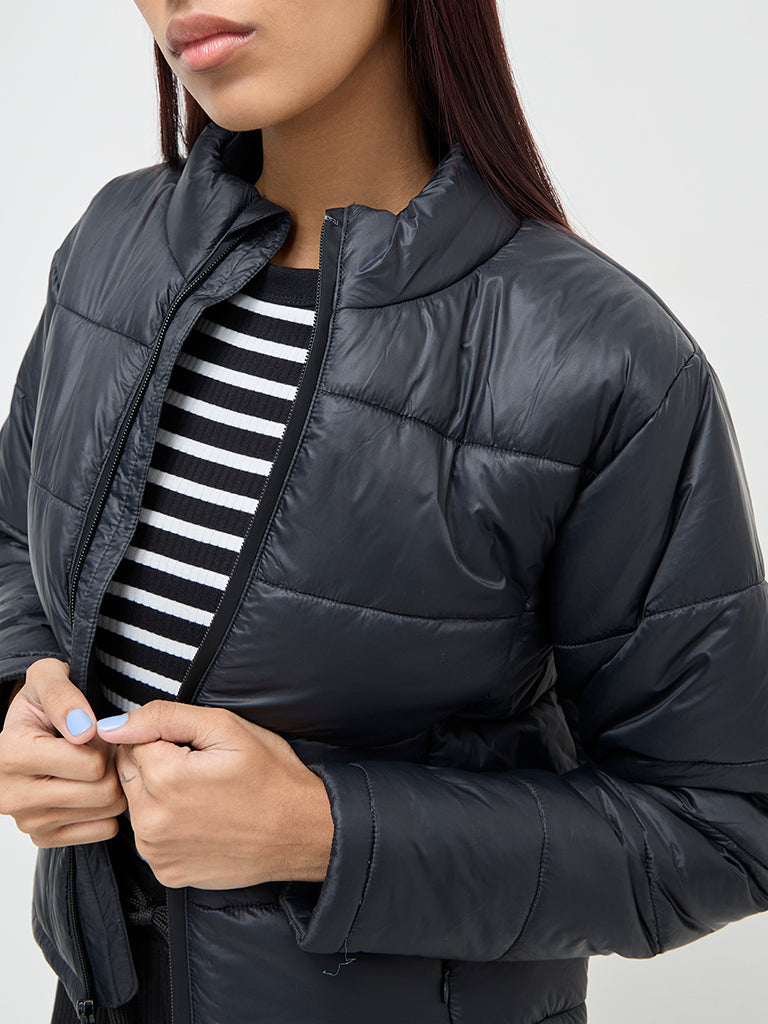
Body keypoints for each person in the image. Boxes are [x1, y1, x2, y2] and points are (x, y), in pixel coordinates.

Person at [0, 1, 766, 1022]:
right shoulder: (115, 247)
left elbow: (721, 828)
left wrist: (321, 831)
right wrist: (19, 697)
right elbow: (15, 540)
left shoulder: (602, 359)